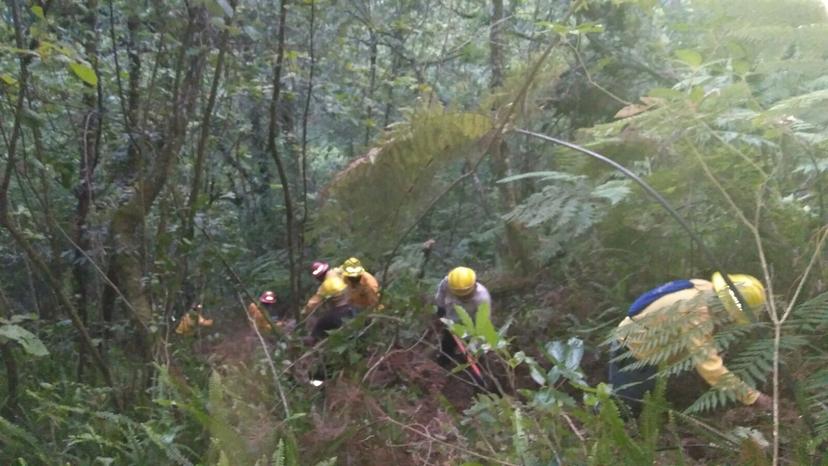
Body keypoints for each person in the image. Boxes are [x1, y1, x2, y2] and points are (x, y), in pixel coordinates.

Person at [608, 273, 773, 415]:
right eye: (733, 318)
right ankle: (599, 425)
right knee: (624, 406)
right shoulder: (696, 312)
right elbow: (709, 367)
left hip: (653, 350)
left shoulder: (704, 288)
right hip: (632, 350)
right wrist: (753, 397)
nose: (731, 322)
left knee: (645, 401)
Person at [434, 266, 491, 364]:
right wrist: (441, 308)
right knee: (447, 343)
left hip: (472, 327)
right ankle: (445, 361)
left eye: (466, 296)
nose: (463, 298)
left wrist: (474, 348)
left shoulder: (482, 299)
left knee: (475, 356)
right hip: (452, 320)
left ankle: (474, 364)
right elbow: (441, 293)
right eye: (459, 296)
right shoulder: (447, 282)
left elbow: (482, 327)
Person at [309, 275, 357, 341]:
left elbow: (313, 340)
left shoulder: (325, 320)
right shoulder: (358, 311)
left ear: (328, 299)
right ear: (344, 292)